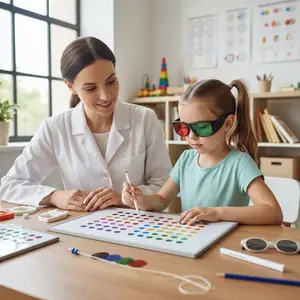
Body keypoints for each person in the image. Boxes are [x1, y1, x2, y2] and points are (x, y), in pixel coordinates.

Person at [0, 36, 172, 211]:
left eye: (111, 81)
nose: (106, 96)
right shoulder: (55, 128)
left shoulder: (144, 118)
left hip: (138, 227)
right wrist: (54, 196)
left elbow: (165, 185)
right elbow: (9, 185)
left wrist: (122, 198)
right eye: (91, 88)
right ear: (70, 86)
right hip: (82, 225)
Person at [122, 79, 283, 225]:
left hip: (224, 245)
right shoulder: (186, 159)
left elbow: (273, 211)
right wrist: (141, 200)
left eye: (202, 127)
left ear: (227, 123)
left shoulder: (239, 163)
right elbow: (162, 199)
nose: (191, 136)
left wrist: (217, 212)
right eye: (183, 127)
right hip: (192, 241)